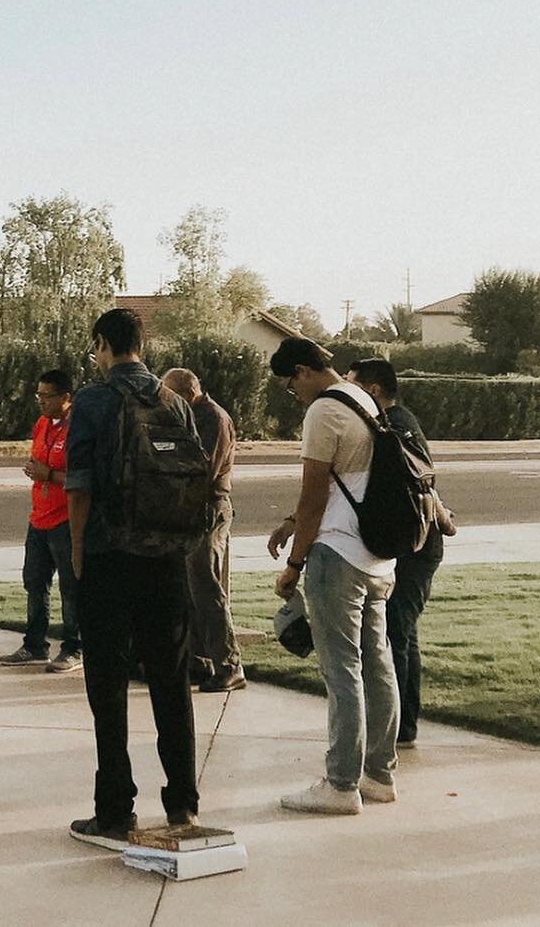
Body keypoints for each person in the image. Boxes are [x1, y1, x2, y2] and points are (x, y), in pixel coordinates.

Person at [64, 308, 200, 848]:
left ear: (102, 344)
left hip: (108, 555)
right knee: (172, 681)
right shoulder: (175, 402)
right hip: (168, 557)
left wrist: (76, 551)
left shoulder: (94, 400)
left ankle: (115, 808)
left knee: (108, 685)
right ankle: (183, 803)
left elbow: (78, 486)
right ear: (143, 345)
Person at [267, 337, 398, 815]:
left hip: (338, 552)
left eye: (290, 384)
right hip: (379, 556)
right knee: (377, 663)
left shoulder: (324, 411)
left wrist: (294, 564)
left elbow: (313, 498)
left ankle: (340, 784)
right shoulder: (363, 398)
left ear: (303, 371)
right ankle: (379, 775)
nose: (293, 393)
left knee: (341, 669)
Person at [347, 358, 455, 749]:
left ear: (373, 391)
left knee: (396, 631)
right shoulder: (397, 423)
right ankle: (403, 720)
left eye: (353, 385)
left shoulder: (394, 427)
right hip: (415, 541)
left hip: (417, 545)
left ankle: (401, 724)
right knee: (401, 632)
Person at [160, 367, 244, 694]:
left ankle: (229, 664)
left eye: (169, 396)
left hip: (208, 508)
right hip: (189, 508)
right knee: (188, 589)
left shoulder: (212, 419)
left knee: (206, 588)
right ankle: (198, 660)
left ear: (186, 393)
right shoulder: (190, 416)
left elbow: (201, 468)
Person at [0, 368, 81, 674]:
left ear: (66, 397)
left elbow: (82, 477)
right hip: (39, 517)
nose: (42, 402)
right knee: (34, 581)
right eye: (39, 396)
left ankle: (74, 646)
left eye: (48, 396)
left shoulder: (76, 429)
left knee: (70, 587)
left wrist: (50, 475)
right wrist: (36, 470)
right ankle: (35, 644)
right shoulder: (42, 424)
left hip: (65, 519)